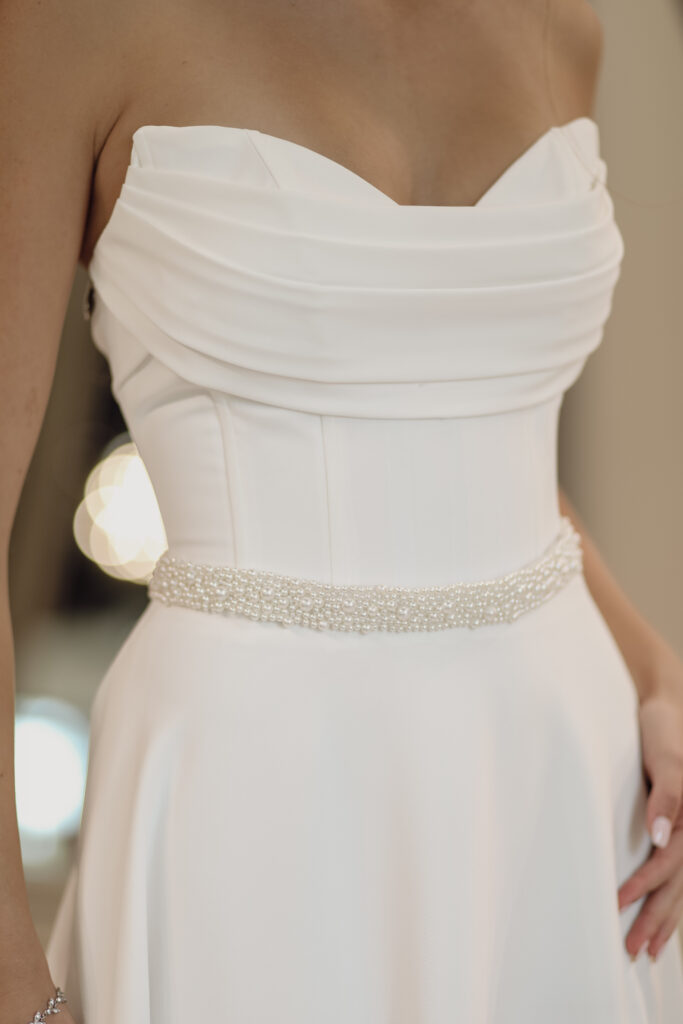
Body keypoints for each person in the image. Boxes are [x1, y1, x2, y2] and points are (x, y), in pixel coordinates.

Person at [3, 0, 683, 1020]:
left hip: (562, 785)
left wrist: (651, 667)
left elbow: (468, 435)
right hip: (250, 792)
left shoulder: (558, 22)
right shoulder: (73, 23)